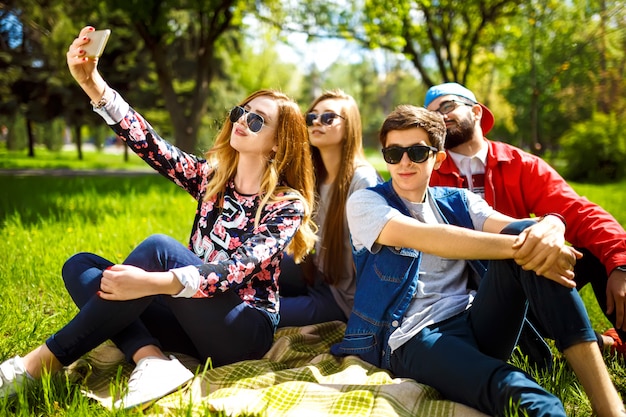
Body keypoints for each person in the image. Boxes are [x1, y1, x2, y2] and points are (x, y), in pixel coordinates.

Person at [0, 26, 316, 410]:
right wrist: (93, 83)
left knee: (159, 250)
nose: (241, 120)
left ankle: (32, 367)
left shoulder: (286, 204)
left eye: (256, 121)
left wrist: (154, 282)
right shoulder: (212, 180)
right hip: (189, 321)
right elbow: (152, 146)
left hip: (241, 331)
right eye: (241, 112)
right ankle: (151, 358)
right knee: (82, 267)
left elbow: (233, 270)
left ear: (279, 142)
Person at [331, 104, 624, 416]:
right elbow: (432, 239)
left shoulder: (457, 200)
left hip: (476, 320)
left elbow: (516, 227)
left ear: (438, 157)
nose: (404, 162)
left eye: (416, 152)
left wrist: (552, 225)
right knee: (528, 399)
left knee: (528, 235)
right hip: (414, 336)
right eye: (393, 153)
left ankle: (607, 405)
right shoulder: (367, 202)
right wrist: (526, 243)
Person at [424, 82, 626, 356]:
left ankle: (615, 342)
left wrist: (620, 264)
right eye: (432, 114)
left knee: (597, 250)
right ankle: (588, 344)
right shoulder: (427, 174)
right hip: (472, 300)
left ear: (476, 112)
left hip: (532, 279)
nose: (441, 116)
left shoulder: (520, 164)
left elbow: (578, 212)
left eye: (447, 106)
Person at [277, 89, 381, 327]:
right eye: (311, 117)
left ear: (350, 127)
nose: (316, 123)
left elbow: (374, 262)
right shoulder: (315, 175)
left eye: (328, 118)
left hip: (343, 298)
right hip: (315, 274)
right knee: (249, 270)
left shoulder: (362, 180)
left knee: (262, 312)